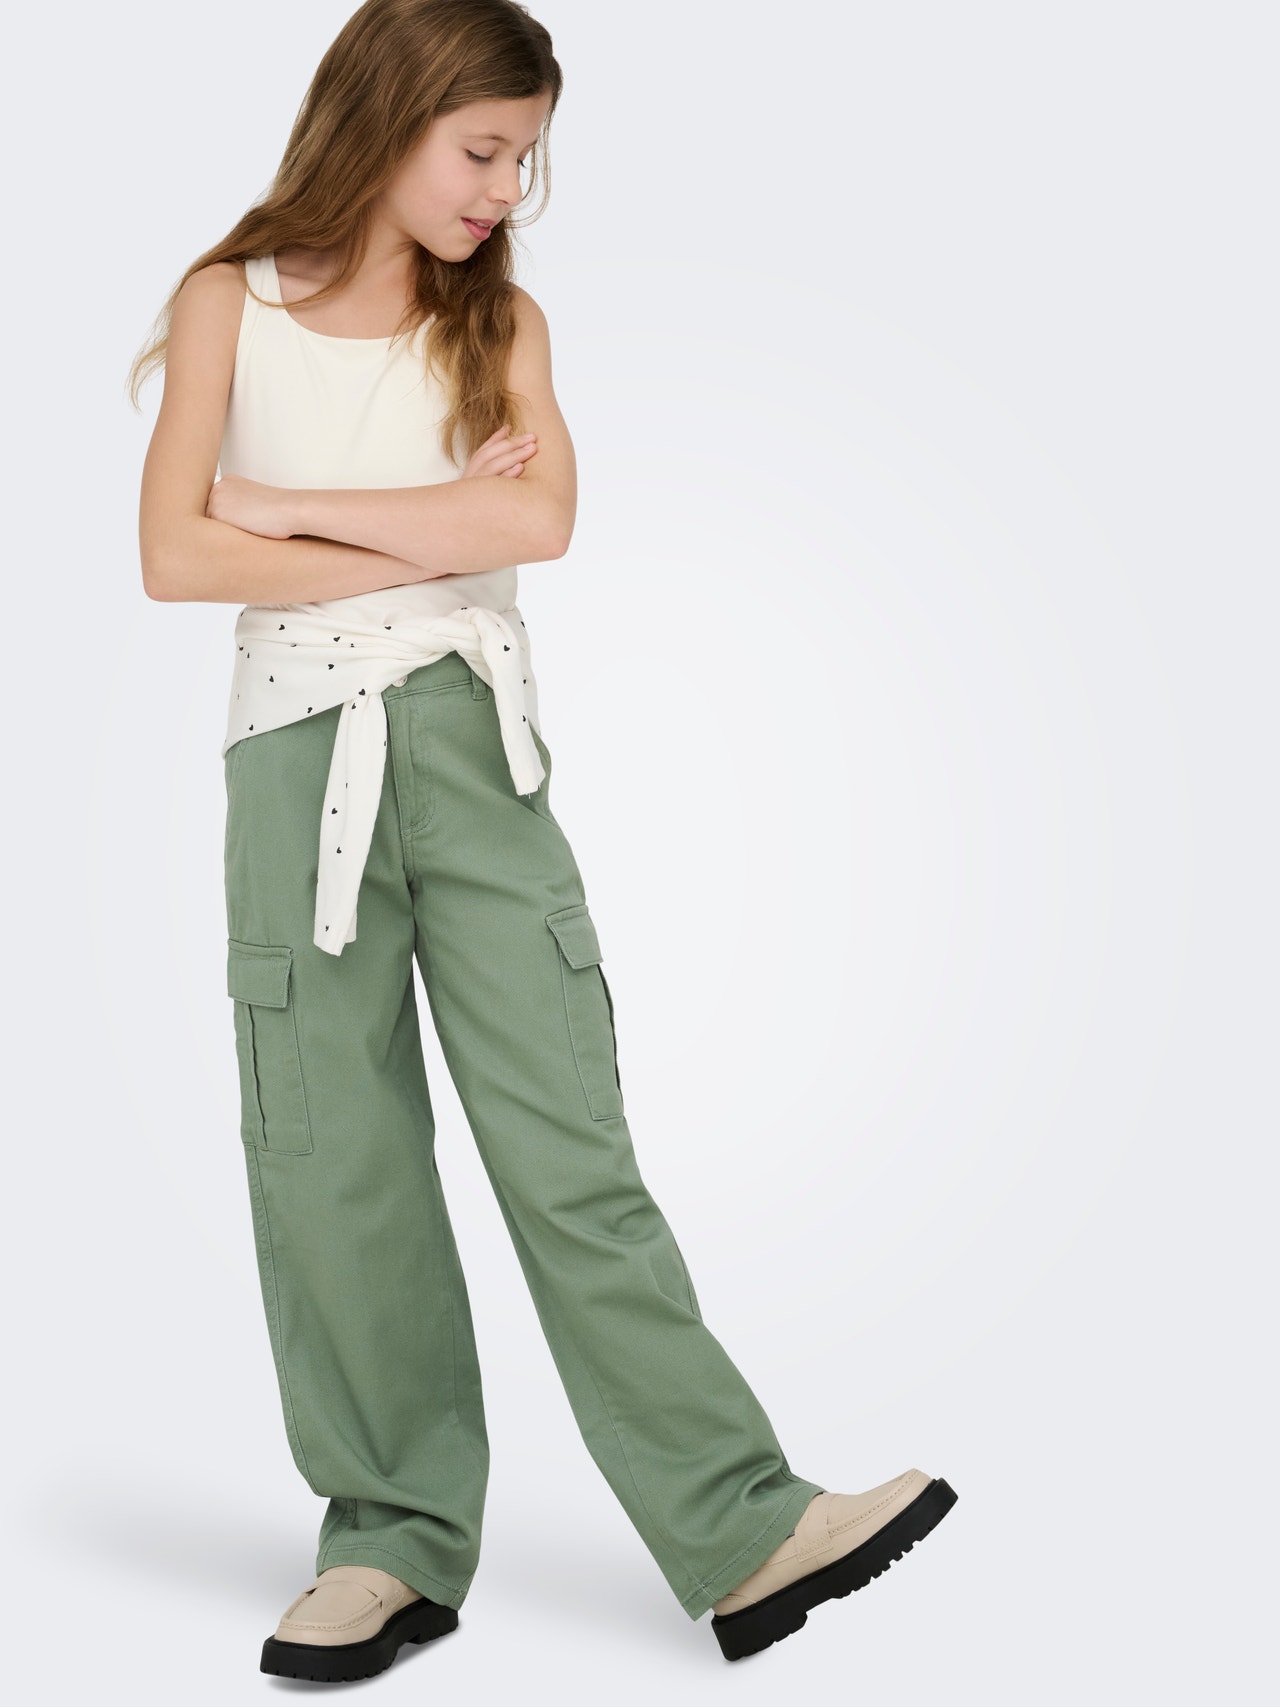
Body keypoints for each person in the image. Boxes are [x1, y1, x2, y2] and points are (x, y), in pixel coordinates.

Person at [130, 0, 956, 1678]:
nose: (509, 188)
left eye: (527, 158)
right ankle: (388, 1541)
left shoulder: (501, 318)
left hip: (475, 751)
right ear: (387, 116)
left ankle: (742, 1526)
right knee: (330, 1161)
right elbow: (172, 556)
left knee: (570, 1142)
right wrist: (428, 531)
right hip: (298, 764)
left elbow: (541, 519)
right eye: (485, 150)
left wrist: (284, 507)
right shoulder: (230, 303)